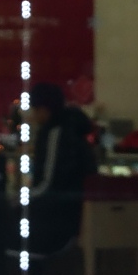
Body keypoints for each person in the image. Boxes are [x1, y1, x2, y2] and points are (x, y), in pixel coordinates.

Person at [25, 82, 97, 254]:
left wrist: (21, 198)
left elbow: (49, 182)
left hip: (56, 220)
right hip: (75, 216)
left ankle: (34, 270)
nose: (33, 116)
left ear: (44, 109)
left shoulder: (55, 133)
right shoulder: (74, 128)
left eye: (35, 110)